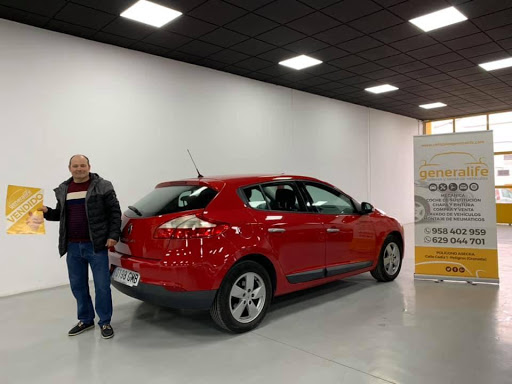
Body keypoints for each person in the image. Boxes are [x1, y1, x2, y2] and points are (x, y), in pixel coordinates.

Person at [40, 154, 121, 339]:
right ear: (70, 168)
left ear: (89, 166)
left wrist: (113, 236)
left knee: (102, 286)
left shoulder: (103, 186)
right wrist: (46, 212)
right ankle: (85, 319)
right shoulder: (64, 189)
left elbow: (115, 213)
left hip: (97, 245)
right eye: (75, 166)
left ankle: (105, 321)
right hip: (73, 247)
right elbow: (60, 215)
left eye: (82, 165)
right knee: (78, 286)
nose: (79, 169)